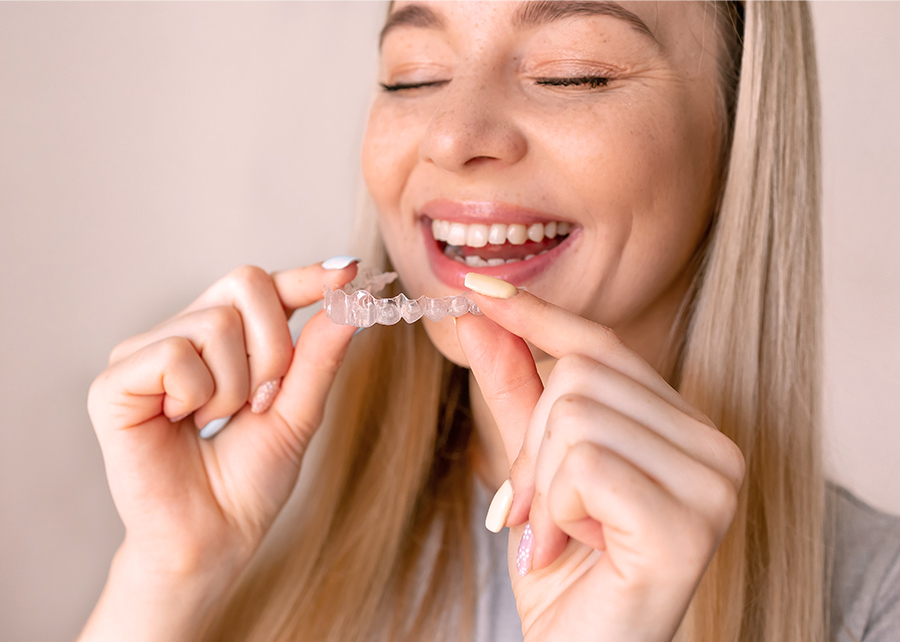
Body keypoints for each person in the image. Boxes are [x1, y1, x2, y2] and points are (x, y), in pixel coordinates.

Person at [78, 2, 900, 641]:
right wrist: (167, 576)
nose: (453, 133)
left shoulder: (874, 606)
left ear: (738, 134)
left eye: (572, 73)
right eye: (414, 73)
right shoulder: (250, 549)